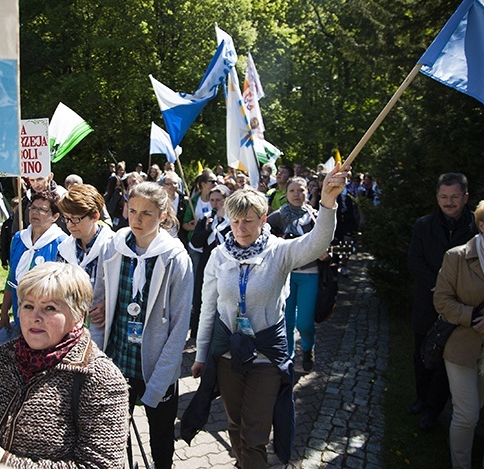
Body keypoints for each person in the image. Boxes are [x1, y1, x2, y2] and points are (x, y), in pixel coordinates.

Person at [182, 165, 347, 468]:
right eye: (235, 221)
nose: (241, 228)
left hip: (266, 357)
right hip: (228, 357)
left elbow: (317, 243)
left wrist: (327, 203)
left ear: (263, 219)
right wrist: (202, 355)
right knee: (235, 424)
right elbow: (209, 309)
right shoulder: (220, 256)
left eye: (248, 221)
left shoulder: (279, 252)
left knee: (255, 434)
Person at [0, 262, 130, 467]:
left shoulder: (98, 378)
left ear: (78, 316)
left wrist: (8, 464)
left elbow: (101, 465)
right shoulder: (0, 359)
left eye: (50, 308)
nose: (34, 317)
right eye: (28, 306)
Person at [91, 182, 193, 469]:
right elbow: (98, 300)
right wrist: (97, 349)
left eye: (146, 214)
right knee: (112, 436)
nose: (136, 219)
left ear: (162, 216)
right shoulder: (113, 246)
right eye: (132, 210)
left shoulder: (175, 258)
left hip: (154, 363)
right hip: (116, 359)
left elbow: (179, 325)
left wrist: (160, 381)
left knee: (161, 440)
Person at [433, 193, 484, 469]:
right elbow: (442, 300)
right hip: (462, 346)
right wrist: (474, 317)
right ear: (481, 225)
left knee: (481, 406)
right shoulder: (457, 257)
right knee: (467, 414)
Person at [407, 173, 477, 431]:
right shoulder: (424, 225)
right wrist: (439, 287)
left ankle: (434, 411)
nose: (449, 203)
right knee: (421, 355)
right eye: (444, 197)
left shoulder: (476, 227)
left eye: (455, 197)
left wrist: (453, 292)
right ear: (437, 197)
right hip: (427, 300)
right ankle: (421, 399)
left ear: (465, 197)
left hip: (460, 304)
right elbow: (414, 262)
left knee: (447, 361)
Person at [268, 177, 328, 372]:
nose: (296, 194)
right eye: (292, 190)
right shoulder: (277, 217)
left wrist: (325, 252)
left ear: (307, 193)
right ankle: (289, 359)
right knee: (286, 321)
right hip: (285, 275)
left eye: (300, 190)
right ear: (286, 193)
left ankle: (308, 347)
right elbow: (263, 238)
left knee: (304, 322)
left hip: (309, 274)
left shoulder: (315, 217)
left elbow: (328, 241)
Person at [0, 191, 67, 337]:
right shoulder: (18, 238)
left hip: (46, 319)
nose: (36, 212)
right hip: (21, 311)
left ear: (55, 217)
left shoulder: (62, 243)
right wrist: (4, 311)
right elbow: (11, 278)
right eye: (33, 208)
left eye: (42, 210)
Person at [189, 184, 231, 340]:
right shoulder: (206, 219)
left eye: (219, 200)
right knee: (202, 296)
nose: (215, 204)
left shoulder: (232, 221)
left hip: (226, 265)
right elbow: (195, 242)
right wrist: (207, 229)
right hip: (207, 263)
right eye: (212, 200)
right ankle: (198, 332)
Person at [56, 184, 114, 290]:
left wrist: (106, 301)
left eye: (75, 219)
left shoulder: (112, 247)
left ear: (95, 216)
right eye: (66, 218)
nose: (69, 225)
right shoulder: (64, 248)